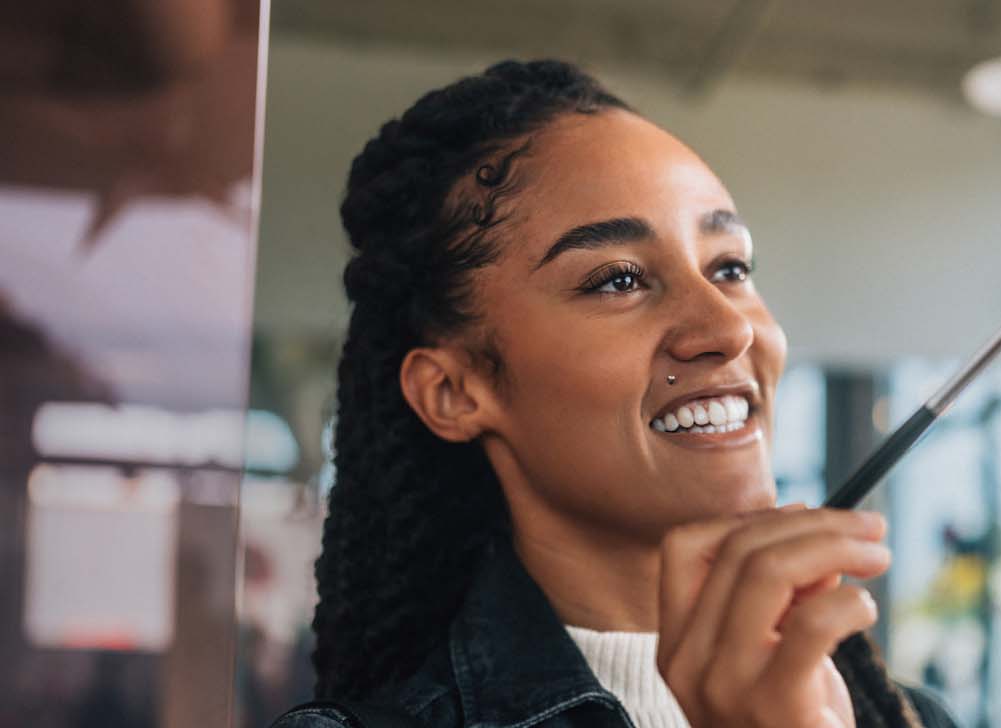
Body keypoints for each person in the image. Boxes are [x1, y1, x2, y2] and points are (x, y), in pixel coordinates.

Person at [271, 59, 957, 728]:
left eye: (730, 266)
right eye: (618, 280)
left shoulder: (908, 718)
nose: (726, 328)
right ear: (453, 390)